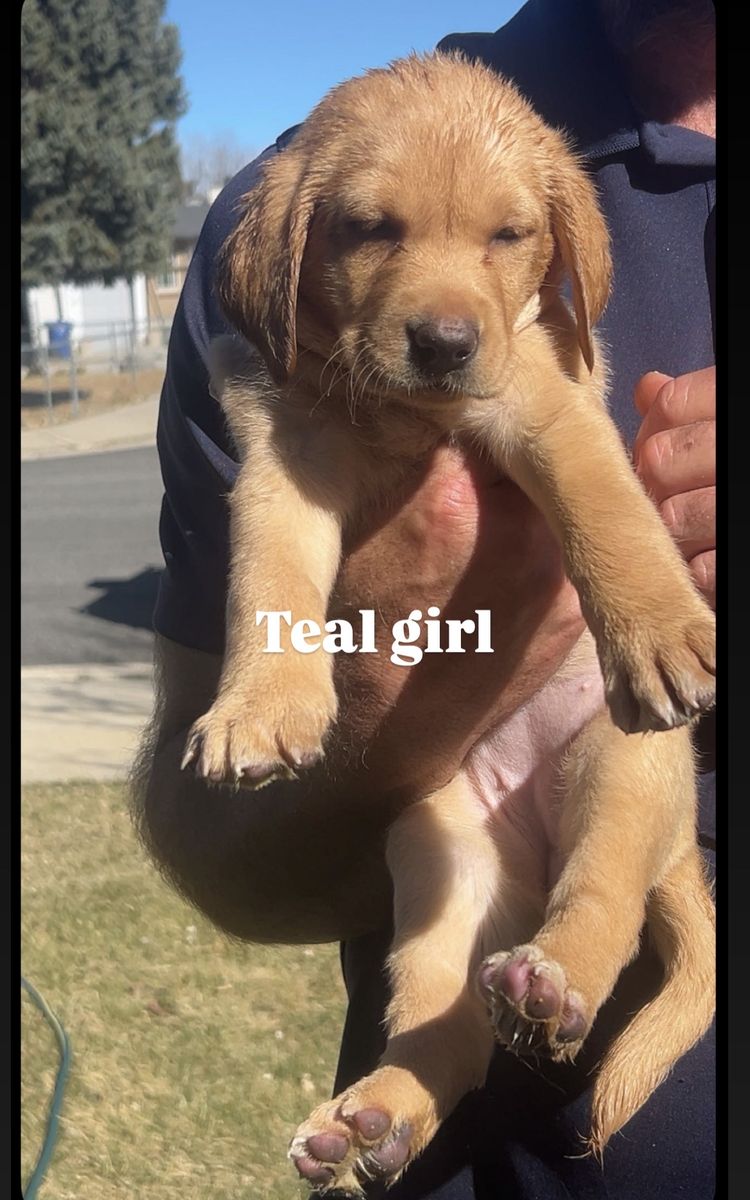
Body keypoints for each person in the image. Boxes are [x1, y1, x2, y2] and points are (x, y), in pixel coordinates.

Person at [131, 0, 715, 1195]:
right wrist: (285, 670)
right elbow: (289, 497)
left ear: (560, 254)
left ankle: (589, 946)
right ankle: (425, 1064)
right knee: (430, 854)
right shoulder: (268, 266)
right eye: (373, 231)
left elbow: (565, 440)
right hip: (453, 785)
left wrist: (644, 611)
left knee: (632, 750)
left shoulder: (541, 293)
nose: (446, 306)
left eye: (503, 239)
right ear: (289, 245)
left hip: (604, 760)